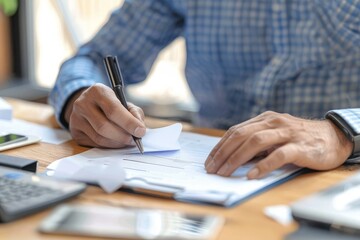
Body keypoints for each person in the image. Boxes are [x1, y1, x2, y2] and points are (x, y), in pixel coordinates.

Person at [49, 1, 360, 180]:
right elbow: (92, 59)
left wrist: (343, 131)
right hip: (208, 176)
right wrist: (81, 98)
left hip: (340, 176)